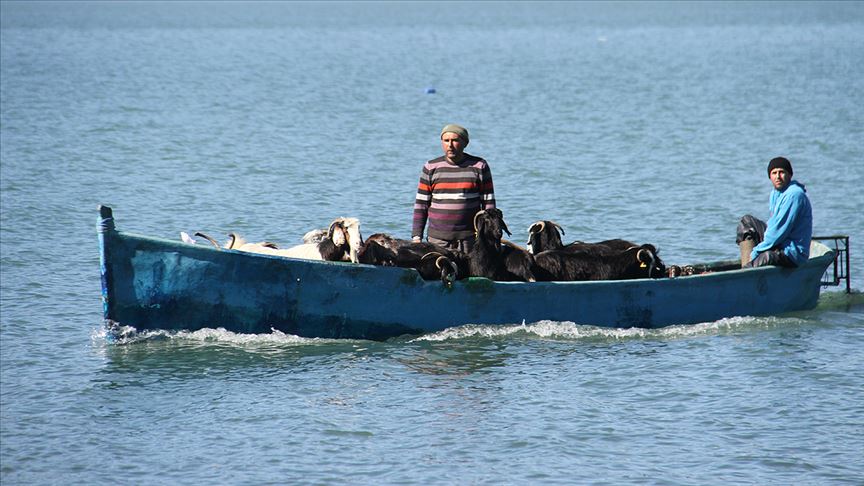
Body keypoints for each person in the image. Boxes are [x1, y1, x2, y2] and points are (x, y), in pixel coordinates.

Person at [412, 124, 496, 253]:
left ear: (465, 143)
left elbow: (489, 204)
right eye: (446, 141)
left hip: (470, 240)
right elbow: (421, 205)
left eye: (455, 140)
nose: (450, 145)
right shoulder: (431, 167)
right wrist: (417, 237)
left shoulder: (479, 166)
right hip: (437, 240)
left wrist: (490, 237)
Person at [739, 156, 812, 268]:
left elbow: (778, 231)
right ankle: (746, 264)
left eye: (781, 172)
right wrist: (757, 250)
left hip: (792, 252)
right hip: (781, 242)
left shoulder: (794, 195)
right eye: (774, 173)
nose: (778, 177)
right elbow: (773, 226)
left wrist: (756, 252)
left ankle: (746, 271)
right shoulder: (776, 193)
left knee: (766, 256)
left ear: (790, 175)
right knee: (746, 222)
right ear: (770, 176)